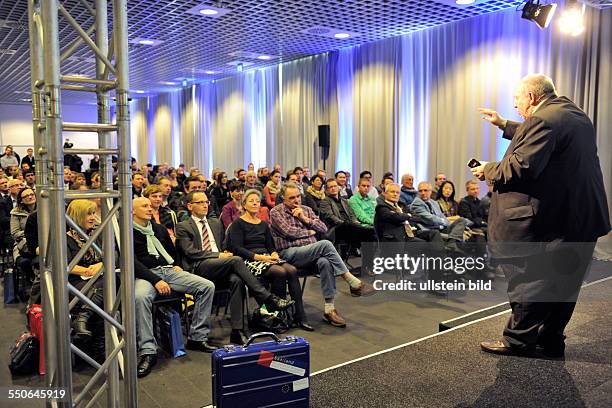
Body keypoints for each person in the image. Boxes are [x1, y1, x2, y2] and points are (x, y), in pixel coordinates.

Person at [473, 74, 610, 357]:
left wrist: (487, 169)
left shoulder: (543, 120)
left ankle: (518, 340)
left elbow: (522, 167)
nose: (515, 106)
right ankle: (550, 338)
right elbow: (543, 136)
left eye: (517, 100)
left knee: (531, 278)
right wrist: (503, 124)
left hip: (553, 219)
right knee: (565, 281)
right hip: (581, 217)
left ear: (533, 97)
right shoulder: (572, 113)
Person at [175, 191, 295, 345]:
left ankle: (236, 331)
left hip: (222, 265)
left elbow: (224, 245)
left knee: (236, 280)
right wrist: (219, 256)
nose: (205, 205)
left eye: (207, 202)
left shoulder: (215, 223)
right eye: (200, 202)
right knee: (237, 260)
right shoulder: (183, 226)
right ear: (190, 206)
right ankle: (267, 298)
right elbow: (190, 252)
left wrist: (224, 253)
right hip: (200, 265)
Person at [269, 183, 375, 328]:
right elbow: (289, 232)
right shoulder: (276, 212)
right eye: (292, 197)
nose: (296, 200)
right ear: (283, 198)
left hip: (312, 252)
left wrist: (305, 219)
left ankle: (329, 309)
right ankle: (351, 280)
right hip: (289, 253)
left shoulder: (306, 210)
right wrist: (310, 232)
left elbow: (323, 228)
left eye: (298, 196)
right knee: (324, 244)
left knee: (325, 262)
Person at [132, 197, 217, 377]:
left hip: (168, 270)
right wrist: (155, 280)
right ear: (132, 211)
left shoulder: (159, 229)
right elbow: (132, 262)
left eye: (150, 206)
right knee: (140, 297)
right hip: (144, 274)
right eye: (144, 206)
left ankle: (197, 337)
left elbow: (173, 251)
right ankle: (148, 350)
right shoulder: (126, 231)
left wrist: (177, 264)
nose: (150, 208)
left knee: (206, 286)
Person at [227, 189, 313, 331]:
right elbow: (236, 248)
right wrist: (260, 257)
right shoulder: (238, 224)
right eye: (251, 201)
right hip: (249, 260)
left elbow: (270, 246)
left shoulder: (263, 224)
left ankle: (300, 315)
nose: (255, 203)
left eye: (257, 201)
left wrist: (273, 254)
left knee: (291, 270)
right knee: (280, 272)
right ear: (244, 204)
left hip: (266, 257)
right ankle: (276, 315)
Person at [65, 200, 107, 341]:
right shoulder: (65, 238)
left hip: (100, 277)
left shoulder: (99, 233)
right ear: (77, 216)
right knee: (104, 292)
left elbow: (115, 256)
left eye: (93, 213)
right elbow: (66, 266)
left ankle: (83, 317)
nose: (93, 217)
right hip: (76, 280)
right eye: (88, 214)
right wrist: (87, 271)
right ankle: (100, 349)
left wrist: (101, 265)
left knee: (109, 284)